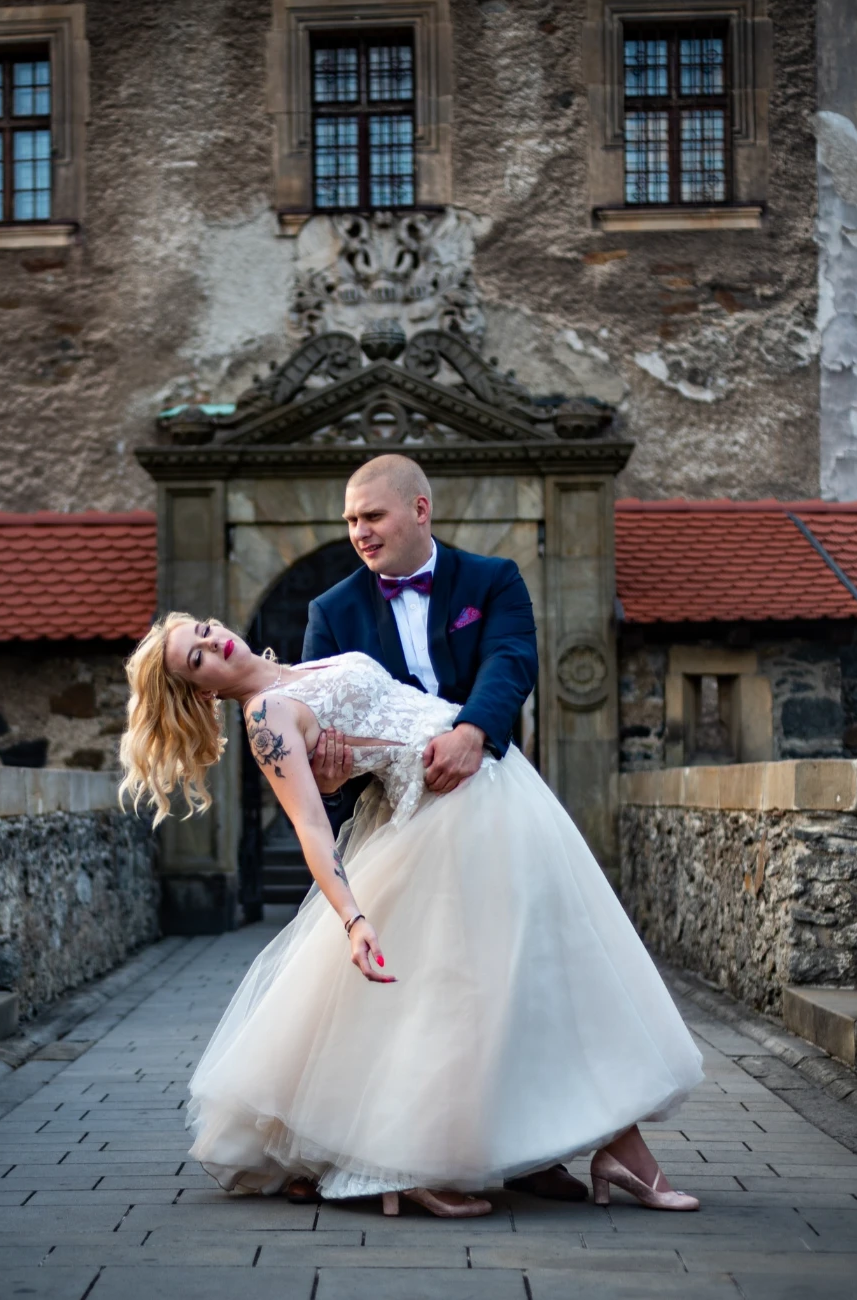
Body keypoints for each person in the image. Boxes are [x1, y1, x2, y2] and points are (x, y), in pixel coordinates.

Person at [119, 562, 706, 1221]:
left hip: (499, 790)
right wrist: (353, 920)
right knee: (488, 990)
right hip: (443, 823)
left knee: (550, 969)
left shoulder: (302, 669)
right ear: (199, 693)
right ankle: (418, 1161)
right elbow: (311, 825)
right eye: (197, 658)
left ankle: (608, 1146)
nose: (214, 641)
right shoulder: (265, 719)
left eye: (204, 630)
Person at [297, 454, 582, 1204]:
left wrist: (473, 733)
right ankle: (367, 1143)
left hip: (488, 808)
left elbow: (511, 660)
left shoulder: (493, 580)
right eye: (350, 520)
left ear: (420, 510)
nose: (359, 532)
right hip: (396, 827)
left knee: (509, 974)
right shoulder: (331, 610)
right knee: (409, 985)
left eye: (373, 516)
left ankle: (526, 1147)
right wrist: (331, 771)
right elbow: (318, 723)